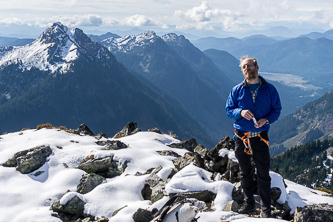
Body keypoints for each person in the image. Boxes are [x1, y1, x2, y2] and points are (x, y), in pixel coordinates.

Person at [225, 56, 282, 218]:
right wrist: (240, 112)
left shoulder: (269, 89)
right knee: (245, 172)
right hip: (241, 138)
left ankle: (265, 209)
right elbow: (229, 109)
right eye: (244, 67)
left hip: (260, 138)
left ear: (257, 67)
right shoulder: (237, 90)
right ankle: (248, 203)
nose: (246, 69)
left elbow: (276, 109)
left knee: (263, 173)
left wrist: (267, 119)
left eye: (249, 66)